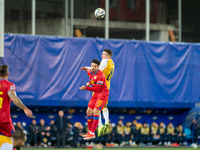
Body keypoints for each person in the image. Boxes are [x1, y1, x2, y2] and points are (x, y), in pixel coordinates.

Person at [80, 49, 115, 136]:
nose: (102, 55)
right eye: (102, 54)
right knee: (104, 106)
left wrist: (88, 69)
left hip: (100, 86)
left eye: (104, 54)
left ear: (108, 56)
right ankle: (106, 121)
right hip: (107, 85)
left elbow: (98, 71)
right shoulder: (112, 63)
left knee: (96, 108)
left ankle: (99, 126)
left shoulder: (104, 61)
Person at [0, 65, 33, 137]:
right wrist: (25, 108)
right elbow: (14, 98)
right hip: (4, 120)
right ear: (8, 74)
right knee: (13, 142)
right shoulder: (9, 85)